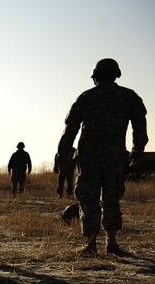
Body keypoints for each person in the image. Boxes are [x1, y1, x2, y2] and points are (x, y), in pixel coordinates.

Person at [58, 58, 147, 256]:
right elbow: (140, 126)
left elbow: (70, 128)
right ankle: (112, 242)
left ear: (95, 77)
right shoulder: (129, 97)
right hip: (115, 158)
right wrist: (137, 151)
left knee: (89, 200)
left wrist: (63, 154)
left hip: (89, 159)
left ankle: (91, 245)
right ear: (116, 75)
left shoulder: (86, 98)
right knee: (111, 199)